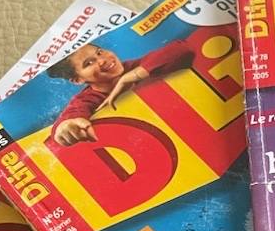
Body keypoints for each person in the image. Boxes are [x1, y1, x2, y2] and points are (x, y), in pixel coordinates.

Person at [46, 31, 202, 146]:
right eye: (89, 63)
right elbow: (71, 116)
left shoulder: (134, 66)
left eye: (99, 52)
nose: (102, 60)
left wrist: (130, 77)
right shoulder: (88, 98)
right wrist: (66, 126)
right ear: (78, 80)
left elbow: (182, 48)